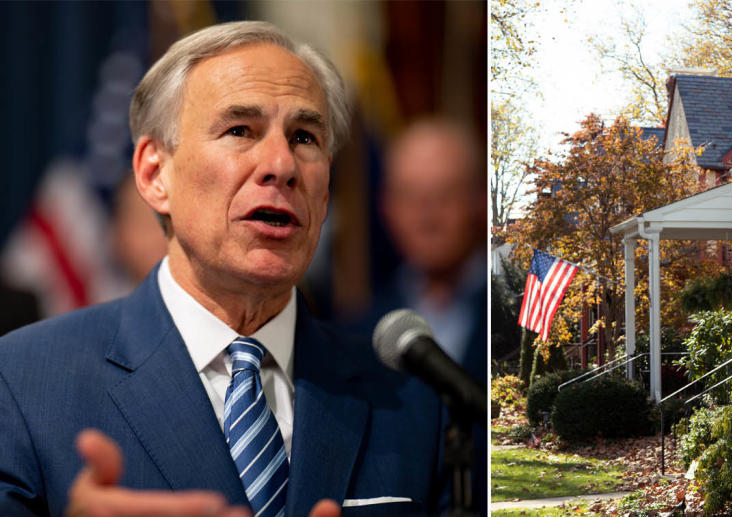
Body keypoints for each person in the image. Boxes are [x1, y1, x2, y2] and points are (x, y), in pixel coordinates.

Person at [0, 21, 446, 517]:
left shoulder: (414, 401)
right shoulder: (20, 383)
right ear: (154, 173)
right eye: (239, 130)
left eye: (304, 136)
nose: (282, 163)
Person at [365, 119, 488, 510]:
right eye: (410, 196)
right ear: (387, 207)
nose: (427, 215)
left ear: (477, 200)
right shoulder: (353, 332)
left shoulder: (511, 314)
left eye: (444, 195)